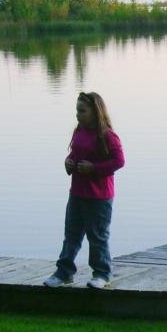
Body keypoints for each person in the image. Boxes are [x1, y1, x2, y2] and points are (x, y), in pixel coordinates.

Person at [44, 92, 125, 289]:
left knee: (97, 236)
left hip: (99, 196)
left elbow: (119, 161)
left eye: (82, 111)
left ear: (95, 112)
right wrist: (68, 163)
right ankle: (64, 272)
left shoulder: (107, 135)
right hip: (77, 192)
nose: (78, 115)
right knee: (71, 234)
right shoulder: (79, 131)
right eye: (77, 111)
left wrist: (94, 168)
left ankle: (102, 274)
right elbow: (73, 153)